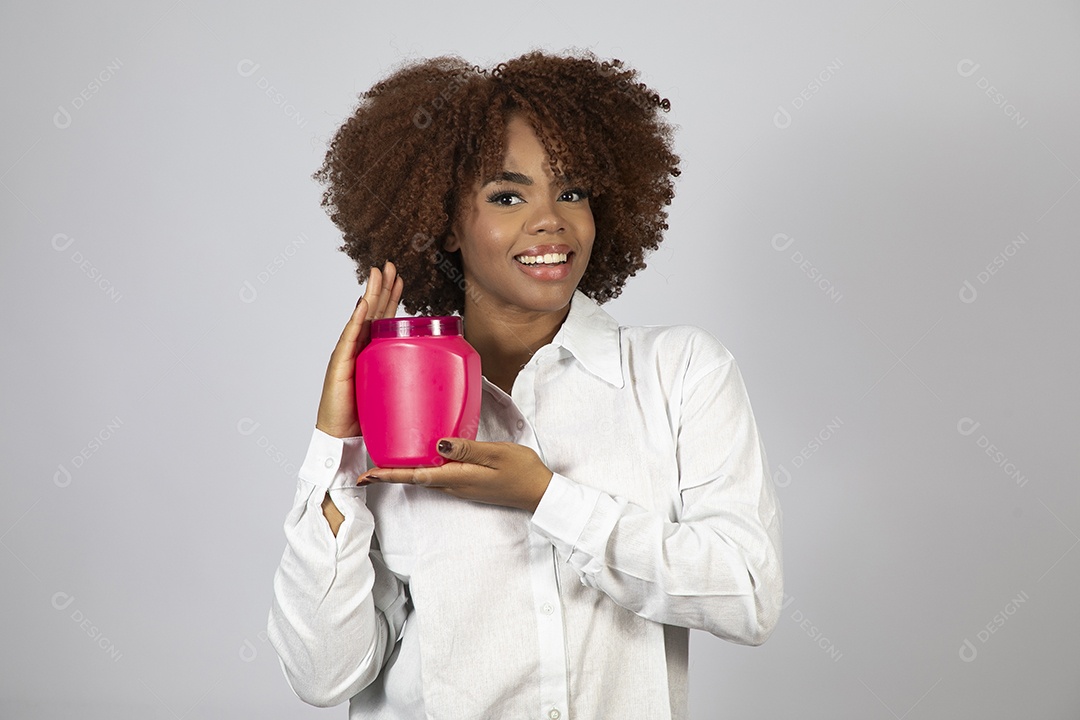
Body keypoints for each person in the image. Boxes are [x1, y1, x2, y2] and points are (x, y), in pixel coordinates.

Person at [268, 50, 783, 720]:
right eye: (507, 196)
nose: (550, 221)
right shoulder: (391, 409)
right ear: (448, 224)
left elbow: (746, 594)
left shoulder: (680, 373)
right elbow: (323, 675)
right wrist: (333, 448)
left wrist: (546, 497)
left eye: (571, 192)